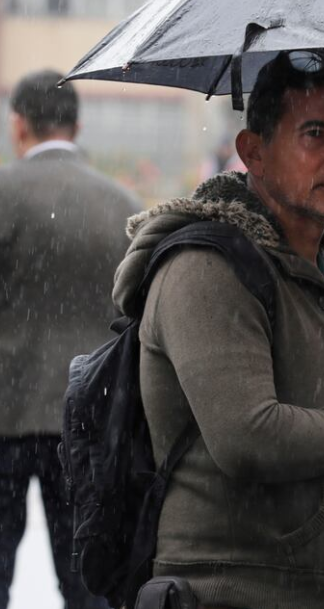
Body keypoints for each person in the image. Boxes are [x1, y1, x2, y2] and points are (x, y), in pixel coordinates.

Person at [111, 50, 324, 608]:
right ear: (254, 152)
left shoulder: (320, 267)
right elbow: (248, 438)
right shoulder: (209, 267)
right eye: (316, 133)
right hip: (241, 592)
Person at [0, 69, 139, 609]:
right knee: (86, 580)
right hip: (88, 422)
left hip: (6, 416)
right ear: (77, 124)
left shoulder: (4, 195)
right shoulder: (122, 205)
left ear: (19, 125)